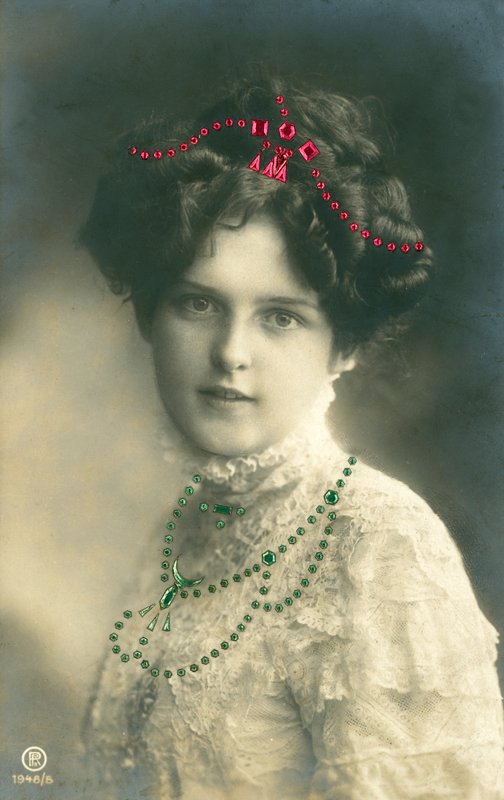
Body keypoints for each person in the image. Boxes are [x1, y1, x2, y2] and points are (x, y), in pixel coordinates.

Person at [79, 78, 504, 799]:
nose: (230, 353)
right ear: (150, 315)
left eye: (280, 317)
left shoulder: (380, 545)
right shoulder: (187, 527)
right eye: (198, 303)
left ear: (345, 345)